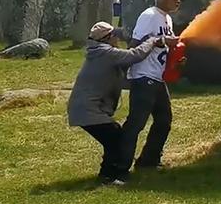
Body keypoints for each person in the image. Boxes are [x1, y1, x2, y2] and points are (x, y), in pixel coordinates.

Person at [66, 22, 171, 185]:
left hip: (84, 108)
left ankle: (108, 175)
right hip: (89, 110)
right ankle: (108, 176)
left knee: (114, 138)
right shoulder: (105, 53)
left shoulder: (99, 53)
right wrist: (152, 41)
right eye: (114, 35)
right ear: (108, 38)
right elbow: (134, 55)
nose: (117, 38)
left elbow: (120, 81)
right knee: (116, 139)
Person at [117, 0, 183, 174]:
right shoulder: (150, 16)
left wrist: (176, 60)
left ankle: (148, 161)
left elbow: (163, 48)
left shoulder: (167, 19)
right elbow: (134, 45)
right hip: (144, 76)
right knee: (136, 124)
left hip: (157, 78)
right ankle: (119, 167)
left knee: (164, 120)